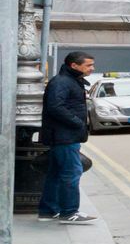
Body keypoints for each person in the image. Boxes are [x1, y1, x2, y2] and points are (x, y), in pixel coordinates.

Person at [39, 51, 97, 223]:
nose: (92, 68)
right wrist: (77, 122)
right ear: (74, 65)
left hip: (63, 135)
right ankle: (69, 212)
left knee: (56, 174)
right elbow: (55, 106)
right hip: (64, 136)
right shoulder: (62, 82)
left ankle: (48, 210)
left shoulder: (70, 81)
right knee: (72, 172)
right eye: (88, 65)